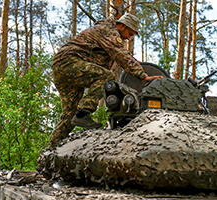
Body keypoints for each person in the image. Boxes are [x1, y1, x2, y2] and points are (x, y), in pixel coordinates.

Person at [50, 13, 163, 145]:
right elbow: (120, 54)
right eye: (130, 33)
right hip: (69, 62)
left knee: (70, 115)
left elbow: (121, 55)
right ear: (121, 26)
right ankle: (83, 113)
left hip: (62, 68)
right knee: (106, 77)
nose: (128, 38)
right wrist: (143, 75)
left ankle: (49, 152)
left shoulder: (106, 33)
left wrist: (135, 63)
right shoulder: (109, 31)